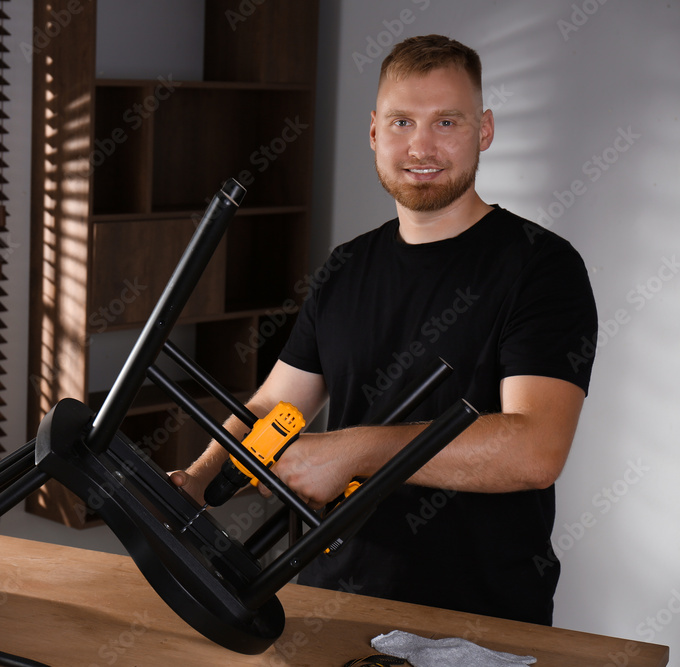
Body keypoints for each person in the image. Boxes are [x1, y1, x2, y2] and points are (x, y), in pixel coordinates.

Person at [170, 34, 598, 626]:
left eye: (446, 121)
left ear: (485, 130)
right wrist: (196, 478)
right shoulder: (344, 268)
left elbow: (535, 450)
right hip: (327, 600)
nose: (421, 145)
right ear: (374, 131)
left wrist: (354, 451)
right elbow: (273, 406)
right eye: (402, 121)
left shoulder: (541, 266)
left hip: (478, 622)